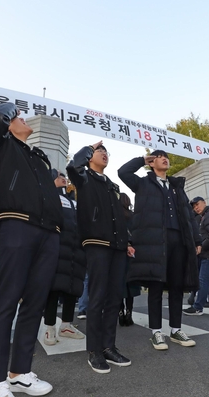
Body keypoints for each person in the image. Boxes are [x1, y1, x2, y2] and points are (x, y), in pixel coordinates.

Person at [0, 103, 63, 397]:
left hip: (48, 232)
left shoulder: (38, 156)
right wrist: (7, 110)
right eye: (17, 117)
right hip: (17, 225)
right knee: (6, 300)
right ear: (7, 124)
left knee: (34, 304)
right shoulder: (1, 146)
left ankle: (19, 373)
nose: (23, 119)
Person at [118, 150, 201, 351]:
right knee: (156, 285)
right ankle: (156, 331)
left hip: (178, 240)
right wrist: (142, 160)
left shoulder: (176, 186)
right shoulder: (143, 184)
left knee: (176, 286)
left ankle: (175, 329)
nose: (165, 159)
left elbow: (189, 215)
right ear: (152, 162)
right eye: (159, 156)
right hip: (154, 241)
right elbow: (123, 172)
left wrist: (197, 239)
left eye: (166, 157)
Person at [67, 141, 132, 374]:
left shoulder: (111, 184)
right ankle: (94, 350)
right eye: (99, 151)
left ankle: (108, 346)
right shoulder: (83, 177)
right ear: (89, 157)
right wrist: (88, 147)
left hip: (117, 246)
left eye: (106, 152)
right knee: (97, 297)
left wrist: (127, 242)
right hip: (96, 243)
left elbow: (119, 218)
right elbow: (73, 166)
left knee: (115, 298)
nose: (104, 154)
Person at [42, 170, 87, 345]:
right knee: (54, 289)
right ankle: (50, 328)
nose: (64, 179)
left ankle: (67, 325)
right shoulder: (49, 196)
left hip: (76, 251)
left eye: (65, 177)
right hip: (57, 249)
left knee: (72, 289)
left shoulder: (74, 200)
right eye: (60, 177)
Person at [118, 193, 141, 327]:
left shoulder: (115, 216)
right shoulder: (133, 216)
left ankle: (120, 312)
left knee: (119, 285)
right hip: (132, 253)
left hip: (119, 252)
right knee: (130, 285)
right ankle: (129, 312)